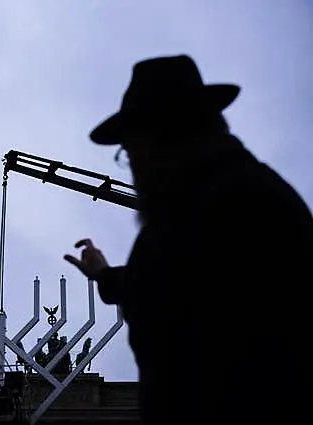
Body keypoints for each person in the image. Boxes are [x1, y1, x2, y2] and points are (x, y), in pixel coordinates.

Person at [64, 55, 312, 424]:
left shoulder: (229, 204)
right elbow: (170, 286)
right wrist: (104, 275)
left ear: (160, 138)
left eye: (130, 152)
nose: (131, 167)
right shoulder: (211, 200)